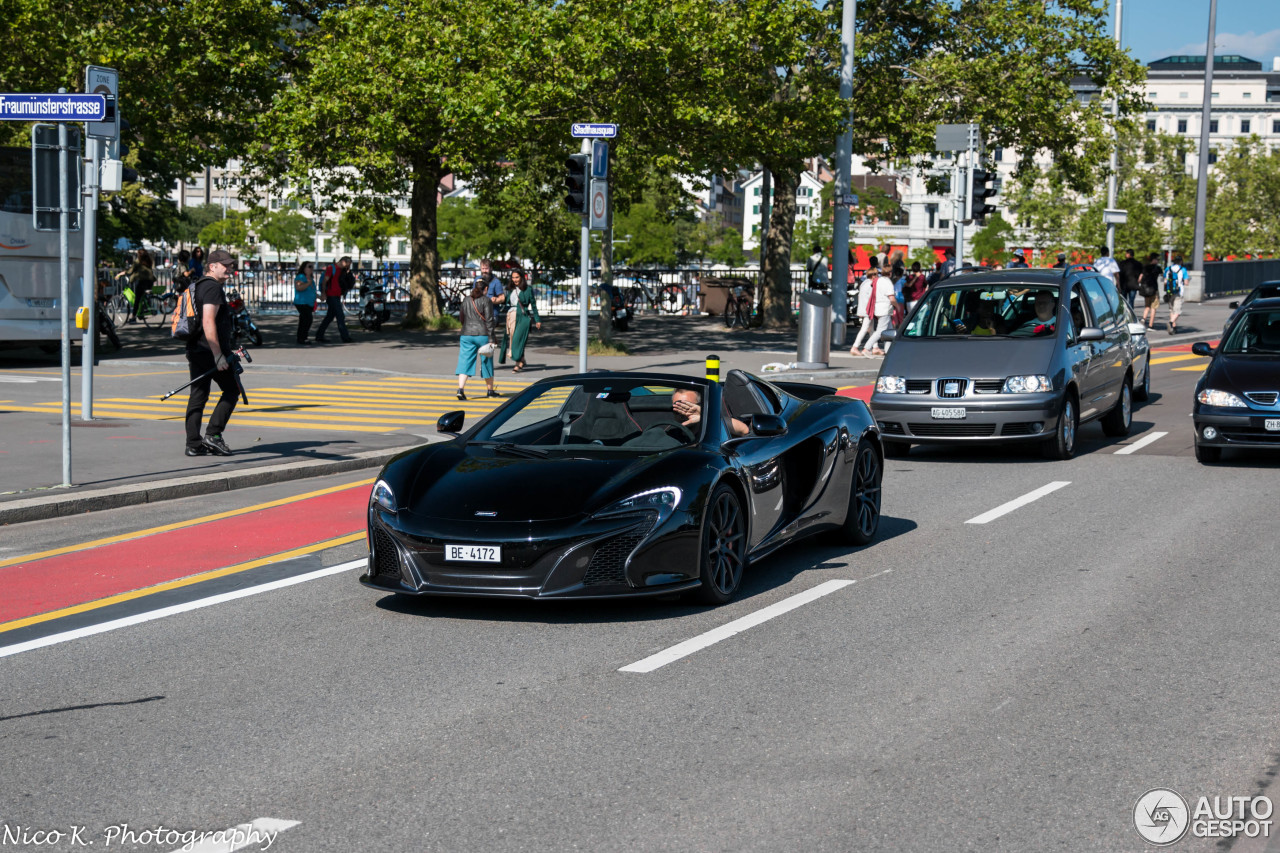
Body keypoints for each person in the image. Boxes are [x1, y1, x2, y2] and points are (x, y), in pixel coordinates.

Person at [184, 249, 239, 457]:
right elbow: (208, 321)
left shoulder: (197, 285)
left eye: (230, 265)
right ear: (212, 266)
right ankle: (213, 435)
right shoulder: (213, 288)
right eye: (225, 265)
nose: (229, 268)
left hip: (195, 347)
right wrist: (218, 355)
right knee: (231, 390)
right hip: (209, 351)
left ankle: (193, 444)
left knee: (198, 395)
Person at [456, 279, 497, 400]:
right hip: (482, 335)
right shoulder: (486, 300)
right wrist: (491, 338)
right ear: (485, 289)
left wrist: (465, 327)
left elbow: (461, 317)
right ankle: (490, 391)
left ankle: (460, 389)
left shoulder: (466, 299)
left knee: (465, 361)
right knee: (486, 361)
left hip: (466, 334)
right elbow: (489, 320)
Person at [671, 388, 748, 438]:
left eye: (687, 407)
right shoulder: (669, 433)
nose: (682, 412)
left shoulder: (713, 429)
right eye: (677, 406)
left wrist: (706, 416)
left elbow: (744, 430)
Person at [314, 255, 353, 343]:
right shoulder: (331, 268)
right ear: (343, 262)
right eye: (347, 264)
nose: (348, 267)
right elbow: (325, 281)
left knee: (330, 317)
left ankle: (319, 335)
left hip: (337, 295)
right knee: (340, 315)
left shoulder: (342, 270)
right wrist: (324, 293)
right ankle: (345, 337)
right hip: (331, 295)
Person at [509, 268, 541, 372]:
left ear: (522, 277)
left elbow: (534, 305)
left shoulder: (527, 289)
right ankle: (521, 359)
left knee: (517, 340)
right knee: (515, 340)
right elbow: (505, 300)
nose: (515, 279)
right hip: (513, 316)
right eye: (513, 277)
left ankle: (518, 363)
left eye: (517, 277)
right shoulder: (511, 288)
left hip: (523, 317)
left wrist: (537, 320)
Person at [116, 249, 156, 323]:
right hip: (150, 282)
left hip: (142, 282)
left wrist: (120, 274)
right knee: (142, 298)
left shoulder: (138, 262)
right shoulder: (149, 261)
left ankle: (133, 317)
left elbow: (130, 271)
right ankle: (141, 313)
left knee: (137, 300)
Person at [1164, 253, 1189, 334]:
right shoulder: (1183, 269)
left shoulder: (1168, 268)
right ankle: (1171, 323)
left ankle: (1173, 328)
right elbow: (1186, 282)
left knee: (1171, 310)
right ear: (1181, 261)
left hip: (1169, 292)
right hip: (1178, 292)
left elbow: (1165, 281)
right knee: (1178, 311)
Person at [293, 261, 317, 345]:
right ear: (304, 268)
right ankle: (302, 337)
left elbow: (312, 291)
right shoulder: (301, 277)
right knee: (307, 319)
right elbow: (299, 287)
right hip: (301, 302)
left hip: (308, 303)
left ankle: (302, 337)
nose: (311, 268)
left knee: (304, 320)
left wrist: (318, 296)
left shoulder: (310, 278)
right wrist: (308, 283)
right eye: (309, 266)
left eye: (312, 267)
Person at [1139, 252, 1163, 328]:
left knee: (1147, 306)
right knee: (1153, 307)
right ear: (1154, 259)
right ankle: (1150, 325)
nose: (1158, 261)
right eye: (1157, 259)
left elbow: (1139, 279)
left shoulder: (1145, 267)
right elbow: (1163, 276)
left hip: (1146, 290)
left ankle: (1143, 319)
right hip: (1154, 289)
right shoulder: (1158, 268)